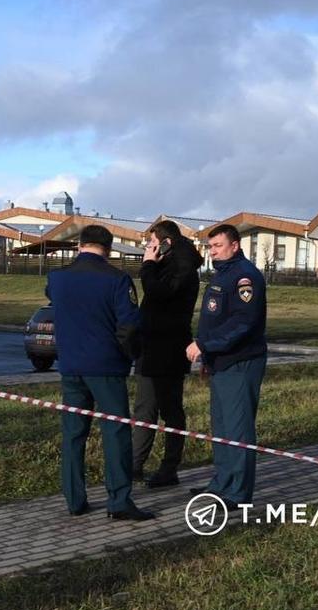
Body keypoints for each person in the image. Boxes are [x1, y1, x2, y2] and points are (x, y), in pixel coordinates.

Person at [46, 224, 154, 520]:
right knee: (115, 433)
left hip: (70, 365)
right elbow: (130, 323)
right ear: (108, 248)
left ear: (80, 245)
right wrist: (127, 354)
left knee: (73, 433)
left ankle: (74, 499)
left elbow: (55, 301)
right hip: (106, 366)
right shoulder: (118, 280)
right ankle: (118, 500)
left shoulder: (57, 278)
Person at [185, 224, 267, 509]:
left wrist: (205, 347)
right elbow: (214, 320)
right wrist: (209, 357)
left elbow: (243, 323)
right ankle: (221, 484)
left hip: (240, 362)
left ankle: (237, 493)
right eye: (210, 247)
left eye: (218, 245)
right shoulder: (223, 275)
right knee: (221, 427)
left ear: (235, 245)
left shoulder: (245, 277)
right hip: (220, 362)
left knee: (238, 429)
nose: (213, 251)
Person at [131, 220, 202, 488]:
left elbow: (159, 292)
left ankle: (168, 467)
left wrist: (148, 265)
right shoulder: (172, 262)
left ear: (166, 242)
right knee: (146, 407)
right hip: (152, 346)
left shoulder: (182, 267)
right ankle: (136, 465)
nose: (148, 249)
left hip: (169, 348)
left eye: (151, 243)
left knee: (169, 410)